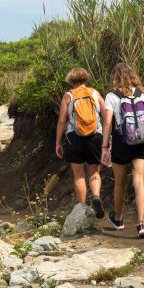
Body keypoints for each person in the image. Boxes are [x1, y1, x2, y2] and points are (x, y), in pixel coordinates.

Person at [101, 62, 144, 238]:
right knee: (139, 181)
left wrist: (105, 146)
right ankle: (142, 223)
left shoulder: (111, 96)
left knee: (120, 182)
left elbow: (107, 123)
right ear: (132, 76)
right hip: (141, 142)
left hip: (122, 143)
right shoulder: (140, 94)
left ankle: (119, 219)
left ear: (114, 77)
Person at [55, 67, 107, 219]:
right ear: (86, 79)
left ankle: (83, 210)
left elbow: (62, 120)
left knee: (78, 175)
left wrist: (58, 142)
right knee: (94, 172)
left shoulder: (68, 95)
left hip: (74, 137)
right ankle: (96, 196)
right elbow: (106, 116)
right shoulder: (95, 93)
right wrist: (107, 138)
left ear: (71, 81)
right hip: (95, 136)